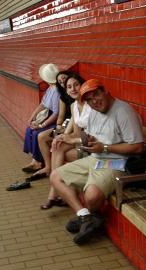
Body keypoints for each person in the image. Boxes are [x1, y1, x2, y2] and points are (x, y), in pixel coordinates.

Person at [50, 79, 145, 244]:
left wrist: (105, 148)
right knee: (56, 176)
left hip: (118, 162)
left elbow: (138, 147)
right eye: (89, 99)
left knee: (92, 196)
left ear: (105, 91)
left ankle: (91, 217)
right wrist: (70, 139)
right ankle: (85, 217)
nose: (94, 101)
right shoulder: (93, 111)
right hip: (96, 157)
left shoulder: (123, 112)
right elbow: (92, 136)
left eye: (96, 95)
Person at [40, 73, 90, 209]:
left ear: (83, 85)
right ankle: (55, 194)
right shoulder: (74, 106)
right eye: (69, 87)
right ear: (66, 90)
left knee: (61, 153)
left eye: (76, 85)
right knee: (58, 146)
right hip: (82, 141)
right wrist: (61, 137)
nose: (73, 89)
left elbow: (86, 136)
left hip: (93, 146)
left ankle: (53, 193)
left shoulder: (90, 105)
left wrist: (67, 138)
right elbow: (75, 131)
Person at [27, 70, 74, 179]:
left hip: (74, 129)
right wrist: (59, 128)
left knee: (52, 141)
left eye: (65, 79)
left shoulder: (77, 98)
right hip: (64, 126)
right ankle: (48, 167)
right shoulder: (63, 97)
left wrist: (63, 132)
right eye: (61, 82)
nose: (63, 82)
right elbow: (61, 117)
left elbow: (73, 119)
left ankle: (51, 171)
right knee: (41, 136)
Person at [22, 63, 61, 175]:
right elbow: (42, 105)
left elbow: (56, 114)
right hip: (47, 118)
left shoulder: (57, 91)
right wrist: (31, 118)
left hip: (53, 120)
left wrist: (41, 125)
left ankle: (39, 162)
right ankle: (35, 160)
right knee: (30, 129)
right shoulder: (50, 88)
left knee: (37, 133)